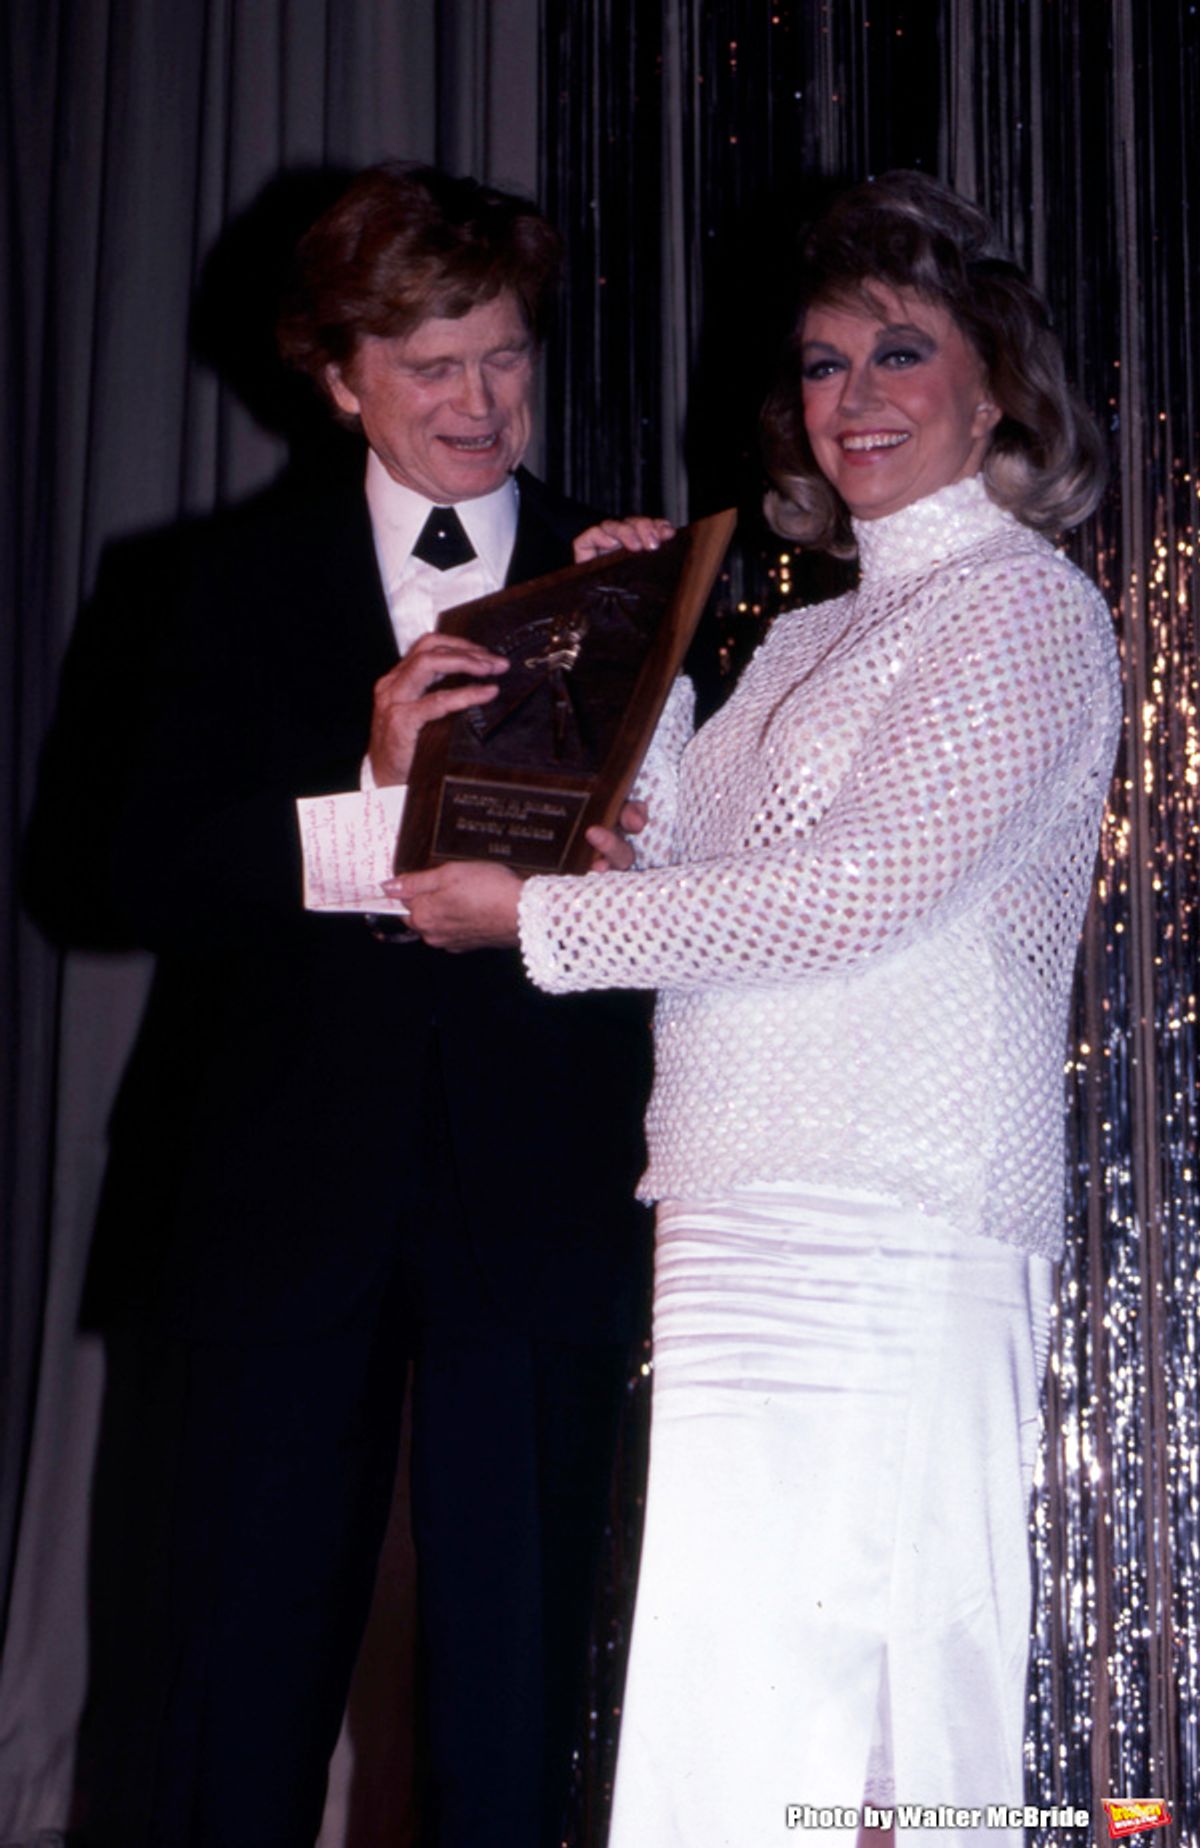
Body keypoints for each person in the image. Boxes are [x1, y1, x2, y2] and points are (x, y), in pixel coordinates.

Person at [392, 171, 1123, 1846]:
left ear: (994, 384)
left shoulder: (1024, 606)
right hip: (731, 1211)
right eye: (820, 363)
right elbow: (662, 860)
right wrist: (632, 644)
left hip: (897, 1215)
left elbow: (846, 900)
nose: (851, 399)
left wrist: (535, 920)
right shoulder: (803, 638)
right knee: (733, 1725)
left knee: (876, 1727)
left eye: (898, 353)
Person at [27, 163, 672, 1848]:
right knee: (223, 1697)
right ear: (337, 379)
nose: (481, 403)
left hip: (542, 1195)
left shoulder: (657, 588)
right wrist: (364, 801)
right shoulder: (194, 584)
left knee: (519, 1706)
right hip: (268, 1204)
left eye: (508, 359)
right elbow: (97, 879)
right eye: (432, 366)